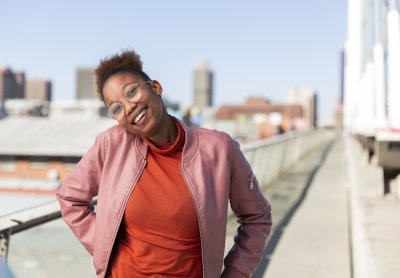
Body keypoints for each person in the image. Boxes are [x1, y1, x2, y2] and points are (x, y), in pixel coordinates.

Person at [56, 50, 272, 278]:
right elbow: (70, 198)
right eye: (117, 108)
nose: (128, 107)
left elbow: (257, 217)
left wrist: (235, 273)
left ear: (156, 87)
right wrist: (104, 248)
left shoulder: (219, 149)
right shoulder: (111, 144)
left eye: (132, 92)